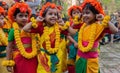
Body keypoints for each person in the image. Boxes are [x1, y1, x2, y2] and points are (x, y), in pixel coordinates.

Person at [23, 2, 75, 73]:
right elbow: (25, 29)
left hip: (57, 57)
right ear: (44, 16)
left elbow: (73, 33)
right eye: (50, 14)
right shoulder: (41, 27)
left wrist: (65, 25)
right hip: (44, 58)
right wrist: (36, 21)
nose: (53, 16)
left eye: (55, 14)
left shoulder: (59, 27)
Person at [75, 0, 118, 73]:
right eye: (83, 13)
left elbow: (115, 30)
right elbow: (73, 26)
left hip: (91, 61)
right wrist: (78, 18)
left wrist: (104, 19)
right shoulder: (83, 25)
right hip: (79, 58)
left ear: (96, 14)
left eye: (87, 13)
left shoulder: (100, 27)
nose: (85, 15)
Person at [2, 2, 38, 73]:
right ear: (14, 18)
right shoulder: (13, 31)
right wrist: (8, 62)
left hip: (32, 57)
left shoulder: (31, 29)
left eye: (26, 16)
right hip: (19, 58)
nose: (24, 18)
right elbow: (9, 47)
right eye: (21, 16)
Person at [67, 5, 83, 73]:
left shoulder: (84, 23)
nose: (76, 14)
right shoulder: (70, 24)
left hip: (83, 45)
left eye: (78, 12)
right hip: (73, 45)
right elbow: (68, 36)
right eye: (74, 13)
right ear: (71, 15)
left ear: (81, 13)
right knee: (72, 63)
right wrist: (74, 43)